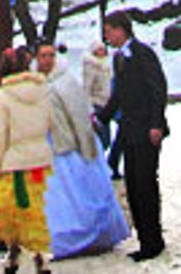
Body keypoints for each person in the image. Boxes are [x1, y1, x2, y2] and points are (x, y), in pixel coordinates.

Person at [35, 43, 129, 258]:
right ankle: (57, 236)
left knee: (78, 189)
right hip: (44, 144)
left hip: (69, 144)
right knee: (54, 194)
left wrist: (84, 141)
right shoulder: (32, 83)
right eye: (43, 56)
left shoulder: (66, 81)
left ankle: (89, 233)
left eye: (51, 55)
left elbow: (79, 113)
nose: (47, 60)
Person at [97, 11, 168, 261]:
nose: (106, 37)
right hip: (129, 129)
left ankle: (153, 241)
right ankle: (145, 239)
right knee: (134, 186)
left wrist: (156, 123)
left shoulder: (143, 54)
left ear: (121, 29)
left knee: (145, 184)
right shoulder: (119, 58)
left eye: (109, 31)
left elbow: (158, 89)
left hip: (147, 130)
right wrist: (102, 118)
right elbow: (118, 95)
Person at [0, 46, 54, 274]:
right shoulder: (43, 91)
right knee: (31, 210)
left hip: (15, 164)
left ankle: (39, 261)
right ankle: (13, 261)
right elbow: (50, 122)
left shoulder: (2, 97)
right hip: (39, 161)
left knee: (17, 215)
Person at [82, 39, 122, 176]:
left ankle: (109, 164)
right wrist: (89, 109)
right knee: (103, 139)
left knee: (120, 132)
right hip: (98, 104)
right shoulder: (91, 67)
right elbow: (86, 89)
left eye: (103, 49)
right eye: (99, 50)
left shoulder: (106, 65)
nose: (102, 52)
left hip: (110, 104)